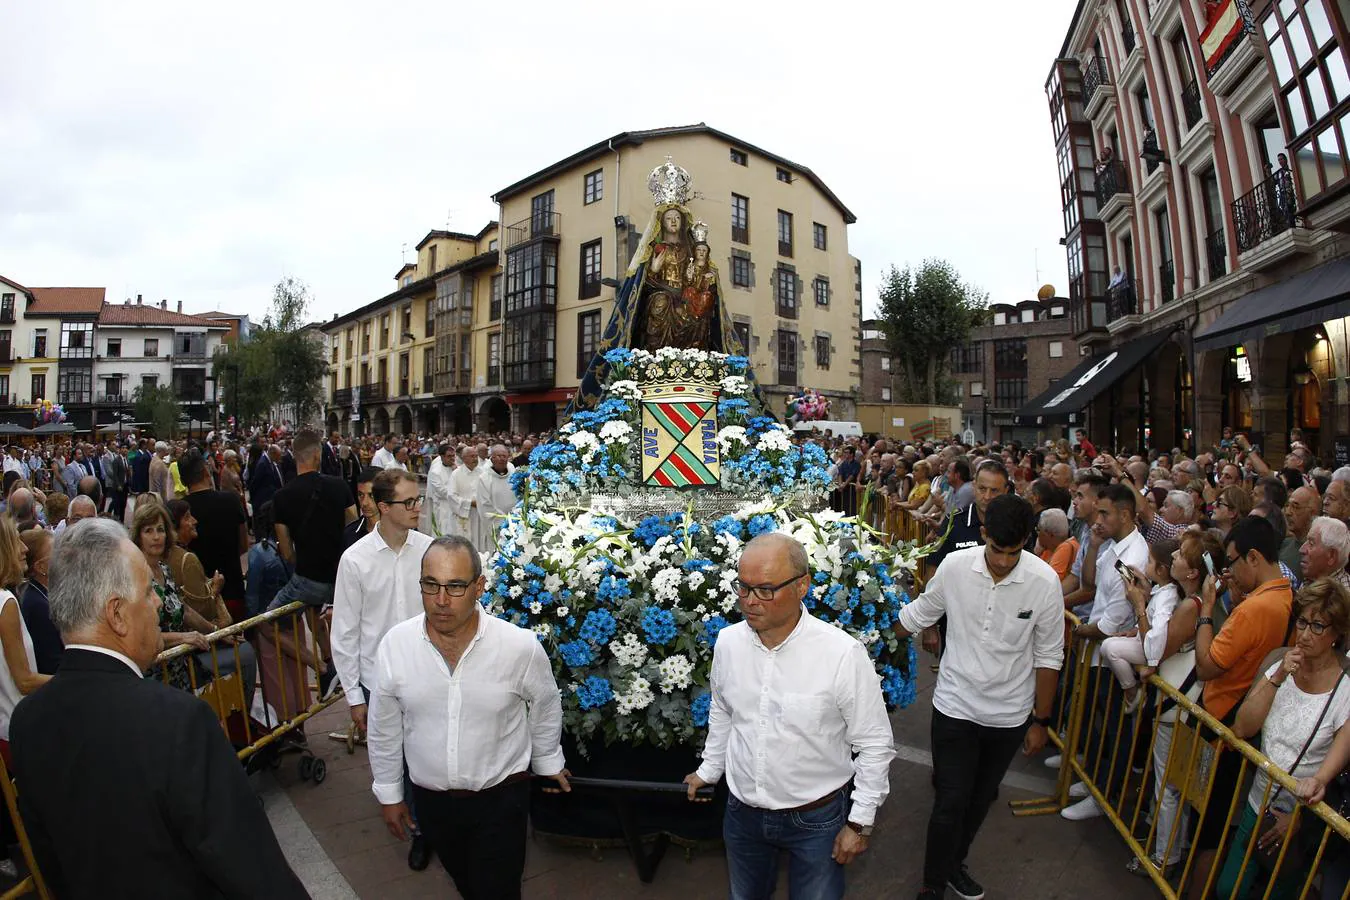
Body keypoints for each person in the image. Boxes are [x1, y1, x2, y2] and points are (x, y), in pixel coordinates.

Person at [8, 518, 310, 899]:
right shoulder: (179, 722)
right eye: (147, 591)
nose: (155, 602)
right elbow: (252, 869)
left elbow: (51, 862)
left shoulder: (28, 721)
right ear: (116, 614)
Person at [684, 532, 895, 900]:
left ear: (802, 586)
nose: (750, 601)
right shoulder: (729, 644)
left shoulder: (841, 654)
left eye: (765, 589)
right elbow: (724, 711)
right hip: (742, 813)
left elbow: (875, 744)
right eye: (743, 587)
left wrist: (860, 822)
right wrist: (710, 769)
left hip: (817, 819)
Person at [369, 536, 568, 899]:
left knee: (495, 891)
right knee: (466, 883)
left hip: (500, 800)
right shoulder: (395, 646)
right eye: (431, 585)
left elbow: (545, 702)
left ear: (479, 587)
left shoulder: (518, 647)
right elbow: (383, 726)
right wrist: (389, 793)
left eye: (455, 587)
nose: (441, 600)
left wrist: (547, 759)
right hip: (432, 803)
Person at [895, 494, 1062, 900]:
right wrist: (863, 640)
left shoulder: (1044, 582)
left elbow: (1049, 656)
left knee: (980, 800)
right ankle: (932, 885)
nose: (1004, 561)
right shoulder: (954, 567)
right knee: (950, 799)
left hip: (1008, 717)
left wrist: (1041, 721)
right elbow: (920, 613)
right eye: (996, 550)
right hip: (954, 705)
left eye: (1014, 551)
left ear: (1029, 541)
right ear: (983, 534)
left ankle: (955, 864)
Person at [1218, 578, 1350, 899]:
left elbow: (1342, 751)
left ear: (1336, 634)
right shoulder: (1281, 664)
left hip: (1301, 820)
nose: (1304, 634)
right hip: (1256, 805)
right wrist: (1277, 677)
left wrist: (1303, 812)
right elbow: (1242, 728)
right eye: (1302, 622)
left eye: (1317, 626)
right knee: (1226, 889)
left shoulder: (1344, 688)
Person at [1187, 515, 1296, 894]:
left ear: (1253, 558)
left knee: (1207, 825)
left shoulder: (1254, 610)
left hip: (1222, 727)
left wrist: (1206, 608)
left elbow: (1205, 667)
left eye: (1230, 562)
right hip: (1241, 725)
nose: (1227, 572)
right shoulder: (1285, 598)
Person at [332, 468, 434, 871]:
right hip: (380, 681)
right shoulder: (355, 560)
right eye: (409, 503)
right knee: (396, 759)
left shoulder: (429, 550)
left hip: (427, 673)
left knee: (427, 755)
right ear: (384, 507)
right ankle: (417, 831)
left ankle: (431, 823)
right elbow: (345, 633)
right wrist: (355, 696)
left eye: (418, 500)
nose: (417, 509)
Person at [1062, 483, 1150, 820]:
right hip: (1097, 653)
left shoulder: (1132, 558)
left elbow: (1112, 622)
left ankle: (1104, 795)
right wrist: (1096, 545)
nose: (1097, 518)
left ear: (1125, 515)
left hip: (1107, 653)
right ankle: (1094, 781)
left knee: (1113, 729)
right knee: (1099, 724)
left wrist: (1080, 629)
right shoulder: (1114, 547)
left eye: (1104, 513)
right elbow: (1091, 585)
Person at [1098, 539, 1181, 714]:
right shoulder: (1162, 589)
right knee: (1110, 645)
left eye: (1150, 561)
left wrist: (1151, 665)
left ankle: (1132, 692)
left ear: (1161, 570)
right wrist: (1144, 582)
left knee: (1109, 648)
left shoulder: (1168, 596)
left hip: (1150, 649)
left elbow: (1158, 631)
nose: (1146, 564)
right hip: (1143, 641)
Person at [183, 450, 249, 621]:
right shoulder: (231, 500)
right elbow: (243, 544)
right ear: (206, 473)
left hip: (196, 599)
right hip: (231, 587)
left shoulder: (180, 510)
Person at [18, 528, 61, 676]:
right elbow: (51, 663)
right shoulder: (38, 605)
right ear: (40, 567)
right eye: (56, 553)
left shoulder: (42, 594)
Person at [478, 444, 516, 550]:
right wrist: (503, 522)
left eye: (504, 456)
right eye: (498, 456)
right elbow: (484, 505)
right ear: (492, 458)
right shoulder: (484, 478)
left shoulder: (514, 473)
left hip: (515, 522)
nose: (502, 459)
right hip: (497, 526)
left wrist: (516, 518)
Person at [446, 445, 484, 548]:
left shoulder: (483, 473)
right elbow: (451, 496)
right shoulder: (456, 474)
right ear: (464, 458)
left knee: (479, 543)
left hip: (479, 515)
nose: (475, 459)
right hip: (463, 515)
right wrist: (469, 503)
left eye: (476, 456)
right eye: (472, 456)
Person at [1301, 516, 1350, 592]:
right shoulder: (1310, 580)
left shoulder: (1343, 598)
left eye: (1311, 543)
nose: (1301, 550)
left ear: (1331, 556)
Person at [248, 445, 284, 538]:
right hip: (261, 499)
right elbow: (255, 483)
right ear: (273, 454)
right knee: (261, 524)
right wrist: (254, 499)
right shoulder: (263, 464)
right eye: (278, 455)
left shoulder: (270, 463)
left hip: (267, 498)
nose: (280, 458)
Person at [1035, 507, 1078, 580]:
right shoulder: (1048, 549)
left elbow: (1048, 580)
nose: (1037, 533)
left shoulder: (1065, 548)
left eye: (1038, 530)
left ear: (1049, 534)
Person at [425, 443, 457, 537]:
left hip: (455, 506)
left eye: (453, 455)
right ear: (442, 457)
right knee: (442, 532)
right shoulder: (436, 471)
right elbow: (442, 492)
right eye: (449, 456)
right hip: (443, 507)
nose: (452, 458)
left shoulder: (455, 467)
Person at [345, 466, 380, 550]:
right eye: (360, 495)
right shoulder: (349, 535)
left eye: (371, 495)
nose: (364, 503)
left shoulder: (400, 531)